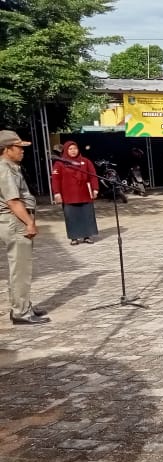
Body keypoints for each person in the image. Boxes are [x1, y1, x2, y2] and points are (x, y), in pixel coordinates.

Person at [0, 130, 48, 325]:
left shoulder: (12, 167)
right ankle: (21, 311)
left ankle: (21, 305)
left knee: (20, 267)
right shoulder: (4, 169)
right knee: (20, 268)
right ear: (6, 149)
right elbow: (13, 201)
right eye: (18, 147)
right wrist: (29, 222)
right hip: (15, 221)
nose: (22, 151)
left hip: (16, 219)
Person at [51, 141, 99, 245]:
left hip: (85, 193)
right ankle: (74, 237)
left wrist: (95, 189)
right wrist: (57, 193)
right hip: (68, 195)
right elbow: (55, 179)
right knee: (72, 216)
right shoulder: (59, 163)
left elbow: (93, 176)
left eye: (75, 148)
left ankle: (87, 236)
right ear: (66, 150)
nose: (73, 151)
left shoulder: (85, 161)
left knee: (87, 215)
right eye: (70, 149)